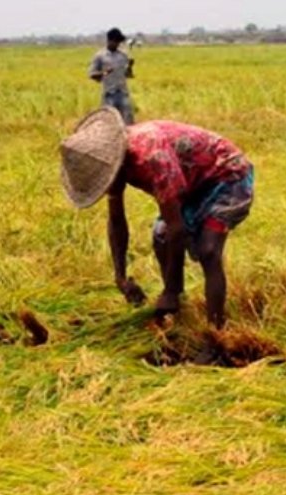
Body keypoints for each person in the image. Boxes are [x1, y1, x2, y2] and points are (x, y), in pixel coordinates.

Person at [59, 107, 254, 330]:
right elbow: (116, 221)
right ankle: (180, 312)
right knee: (161, 237)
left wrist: (169, 290)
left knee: (208, 250)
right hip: (191, 183)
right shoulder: (111, 163)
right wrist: (121, 278)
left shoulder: (151, 157)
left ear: (118, 162)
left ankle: (216, 333)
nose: (109, 185)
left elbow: (177, 228)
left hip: (227, 175)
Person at [89, 28, 136, 124]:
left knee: (128, 121)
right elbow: (92, 74)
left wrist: (130, 66)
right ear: (110, 41)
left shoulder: (123, 56)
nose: (118, 44)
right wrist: (104, 72)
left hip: (123, 93)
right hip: (109, 94)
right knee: (109, 123)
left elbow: (128, 75)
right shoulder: (100, 56)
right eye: (116, 41)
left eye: (119, 42)